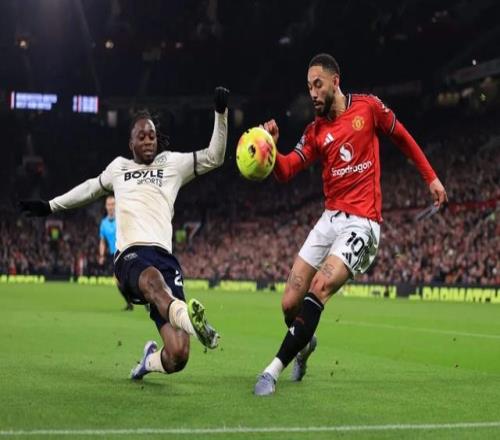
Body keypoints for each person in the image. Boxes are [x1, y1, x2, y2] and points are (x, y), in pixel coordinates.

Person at [253, 54, 447, 396]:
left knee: (320, 287)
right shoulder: (315, 131)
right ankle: (305, 343)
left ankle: (272, 370)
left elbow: (402, 136)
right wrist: (270, 148)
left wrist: (430, 177)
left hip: (362, 223)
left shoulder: (368, 108)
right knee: (289, 304)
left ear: (335, 81)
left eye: (318, 85)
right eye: (309, 87)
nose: (313, 93)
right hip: (329, 219)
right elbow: (286, 170)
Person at [20, 86, 230, 379]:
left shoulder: (172, 164)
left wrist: (221, 114)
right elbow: (90, 188)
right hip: (130, 255)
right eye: (141, 136)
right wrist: (50, 206)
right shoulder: (119, 167)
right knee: (153, 281)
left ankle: (148, 362)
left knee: (178, 355)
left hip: (165, 258)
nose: (148, 140)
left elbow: (215, 157)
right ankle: (193, 324)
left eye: (151, 135)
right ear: (131, 143)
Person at [98, 194, 134, 311]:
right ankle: (129, 303)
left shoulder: (122, 218)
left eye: (113, 204)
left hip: (126, 251)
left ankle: (144, 301)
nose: (111, 206)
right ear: (106, 206)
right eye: (109, 204)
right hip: (113, 255)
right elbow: (102, 241)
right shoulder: (103, 223)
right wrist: (101, 255)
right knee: (118, 281)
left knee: (132, 277)